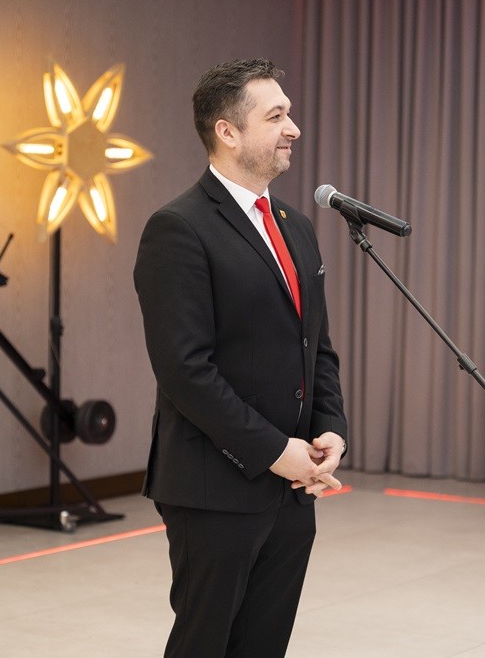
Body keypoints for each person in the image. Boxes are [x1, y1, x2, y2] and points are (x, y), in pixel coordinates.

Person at [133, 58, 348, 657]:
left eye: (289, 114)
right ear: (227, 131)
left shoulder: (296, 226)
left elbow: (316, 346)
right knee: (205, 645)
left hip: (293, 487)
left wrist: (331, 427)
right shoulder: (178, 228)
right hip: (215, 486)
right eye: (276, 116)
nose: (293, 128)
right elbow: (185, 371)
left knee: (263, 646)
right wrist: (276, 451)